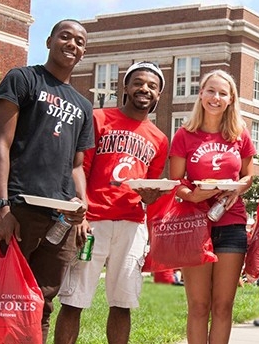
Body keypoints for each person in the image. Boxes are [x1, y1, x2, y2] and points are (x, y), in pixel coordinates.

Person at [0, 19, 93, 341]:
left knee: (41, 301)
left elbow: (77, 166)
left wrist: (82, 207)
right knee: (4, 298)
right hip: (20, 208)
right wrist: (1, 207)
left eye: (79, 41)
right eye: (65, 37)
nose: (72, 44)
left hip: (60, 218)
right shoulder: (23, 79)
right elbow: (0, 143)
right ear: (49, 41)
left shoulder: (83, 105)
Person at [54, 61, 169, 344]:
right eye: (139, 83)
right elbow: (80, 167)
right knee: (74, 300)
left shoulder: (159, 138)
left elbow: (150, 185)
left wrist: (150, 197)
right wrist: (80, 215)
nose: (145, 89)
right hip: (93, 222)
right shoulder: (99, 119)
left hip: (131, 224)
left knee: (123, 301)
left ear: (158, 95)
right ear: (126, 87)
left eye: (152, 86)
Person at [169, 69, 255, 344]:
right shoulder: (184, 134)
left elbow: (248, 176)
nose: (215, 98)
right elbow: (175, 183)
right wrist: (192, 195)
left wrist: (238, 188)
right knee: (198, 306)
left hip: (231, 224)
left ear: (231, 99)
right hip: (194, 224)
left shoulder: (239, 134)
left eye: (222, 93)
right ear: (201, 94)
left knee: (222, 306)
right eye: (211, 91)